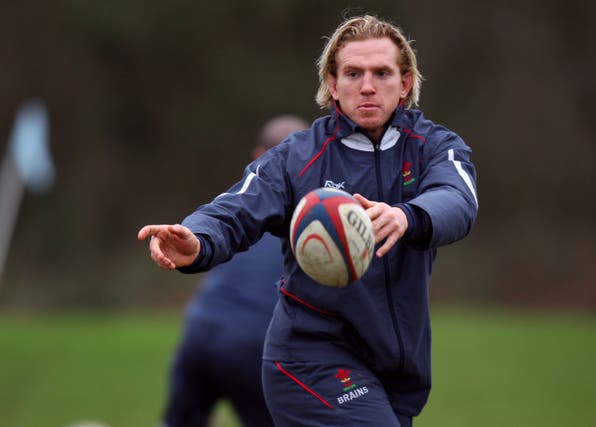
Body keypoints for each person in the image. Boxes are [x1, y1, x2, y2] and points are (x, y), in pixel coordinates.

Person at [139, 15, 478, 427]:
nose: (367, 85)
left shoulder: (434, 148)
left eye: (381, 73)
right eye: (353, 73)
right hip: (309, 360)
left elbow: (458, 199)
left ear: (404, 83)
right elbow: (235, 208)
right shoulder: (297, 157)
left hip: (395, 369)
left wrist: (407, 216)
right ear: (333, 84)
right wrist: (197, 239)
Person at [160, 115, 309, 427]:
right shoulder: (310, 224)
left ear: (257, 156)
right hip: (254, 343)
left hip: (199, 332)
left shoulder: (235, 213)